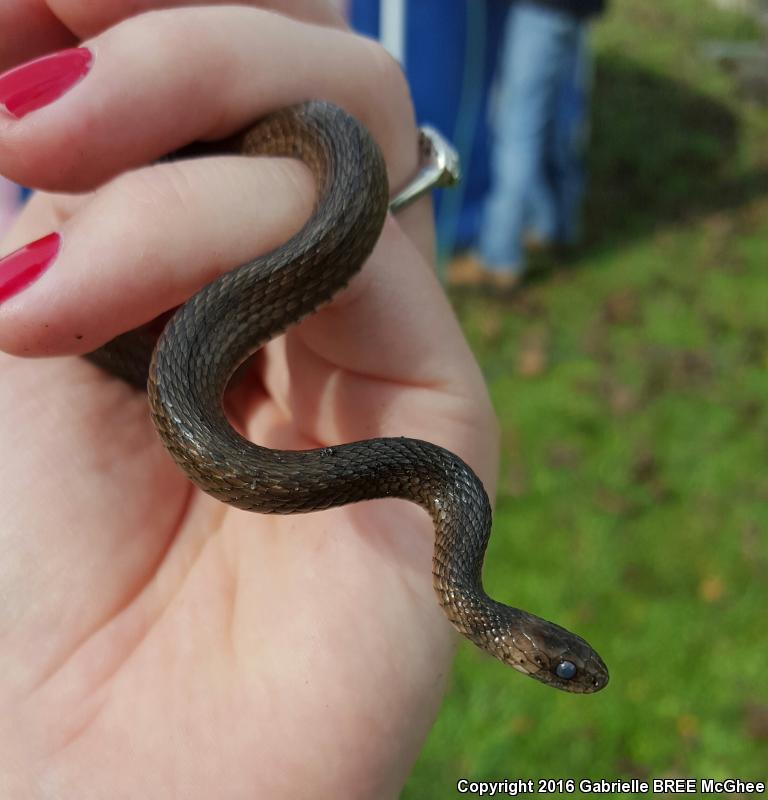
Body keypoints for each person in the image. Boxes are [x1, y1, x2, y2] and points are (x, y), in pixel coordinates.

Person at [0, 1, 498, 797]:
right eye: (563, 670)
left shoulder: (441, 498)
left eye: (562, 670)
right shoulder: (450, 511)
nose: (567, 676)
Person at [451, 0, 606, 290]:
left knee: (517, 132)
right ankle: (553, 225)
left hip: (542, 9)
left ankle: (499, 257)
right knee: (555, 120)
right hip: (576, 10)